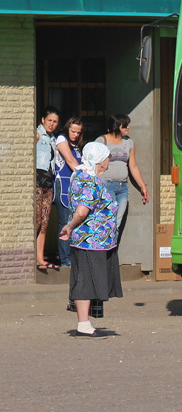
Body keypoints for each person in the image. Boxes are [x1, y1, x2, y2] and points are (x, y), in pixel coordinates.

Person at [59, 141, 121, 336]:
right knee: (85, 280)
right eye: (106, 158)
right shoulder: (88, 179)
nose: (108, 162)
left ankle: (84, 322)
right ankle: (83, 324)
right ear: (99, 160)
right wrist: (70, 226)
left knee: (86, 279)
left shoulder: (84, 175)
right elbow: (82, 210)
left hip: (94, 241)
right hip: (89, 240)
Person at [96, 113, 150, 242]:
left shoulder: (129, 143)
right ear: (118, 126)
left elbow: (133, 166)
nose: (128, 128)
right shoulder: (101, 141)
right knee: (107, 219)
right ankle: (102, 249)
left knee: (117, 221)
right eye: (125, 125)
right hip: (106, 185)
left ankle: (110, 251)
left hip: (122, 188)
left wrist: (143, 186)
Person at [53, 117, 85, 269]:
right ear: (67, 129)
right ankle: (65, 259)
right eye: (73, 131)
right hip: (63, 185)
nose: (76, 135)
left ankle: (73, 257)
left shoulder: (77, 146)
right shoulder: (61, 139)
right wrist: (86, 174)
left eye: (78, 132)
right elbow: (71, 160)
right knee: (64, 222)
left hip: (74, 189)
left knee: (74, 222)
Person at [34, 107, 60, 272]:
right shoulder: (37, 135)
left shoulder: (54, 140)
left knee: (44, 222)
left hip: (48, 182)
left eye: (55, 121)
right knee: (35, 220)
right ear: (43, 120)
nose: (52, 124)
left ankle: (40, 258)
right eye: (49, 120)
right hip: (36, 180)